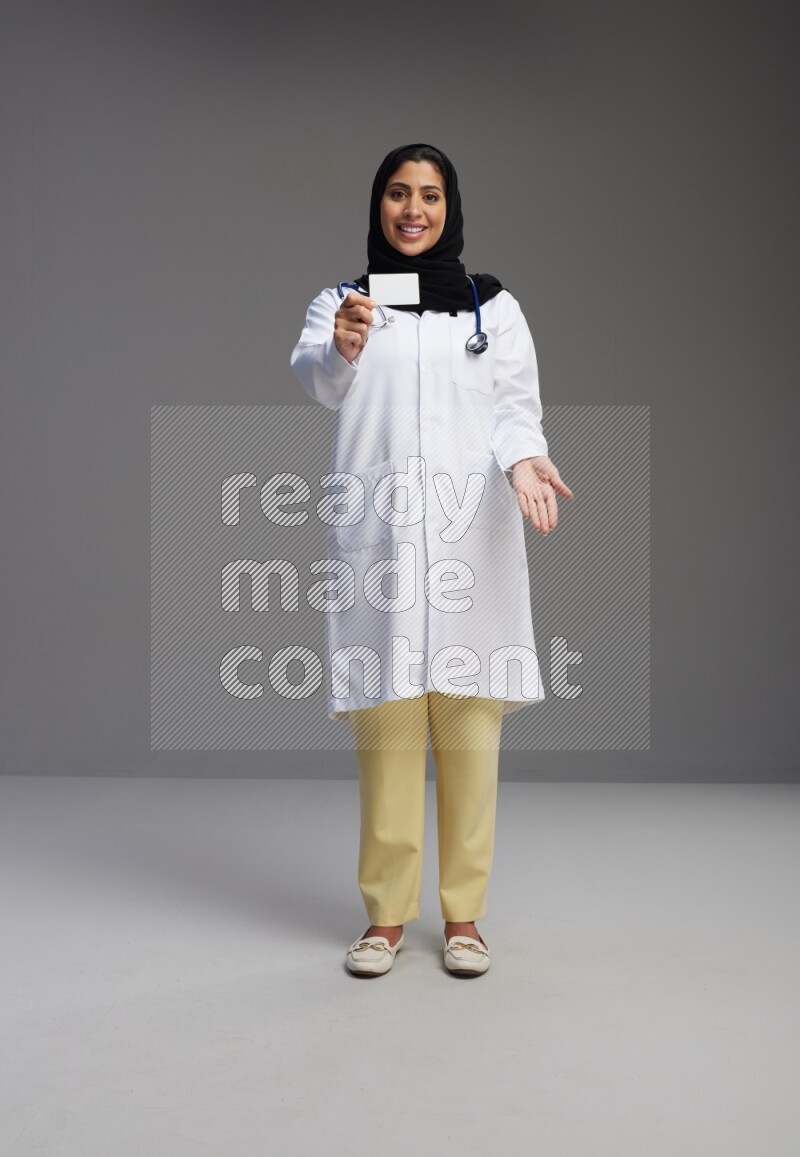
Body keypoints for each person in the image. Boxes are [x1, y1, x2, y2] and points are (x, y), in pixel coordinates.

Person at [290, 142, 573, 978]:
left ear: (451, 210)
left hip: (467, 537)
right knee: (387, 730)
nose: (414, 210)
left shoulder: (493, 308)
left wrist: (526, 459)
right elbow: (317, 382)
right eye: (398, 194)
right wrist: (341, 347)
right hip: (380, 536)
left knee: (468, 732)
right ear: (377, 205)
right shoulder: (345, 303)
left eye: (430, 196)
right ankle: (383, 918)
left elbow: (516, 407)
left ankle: (464, 917)